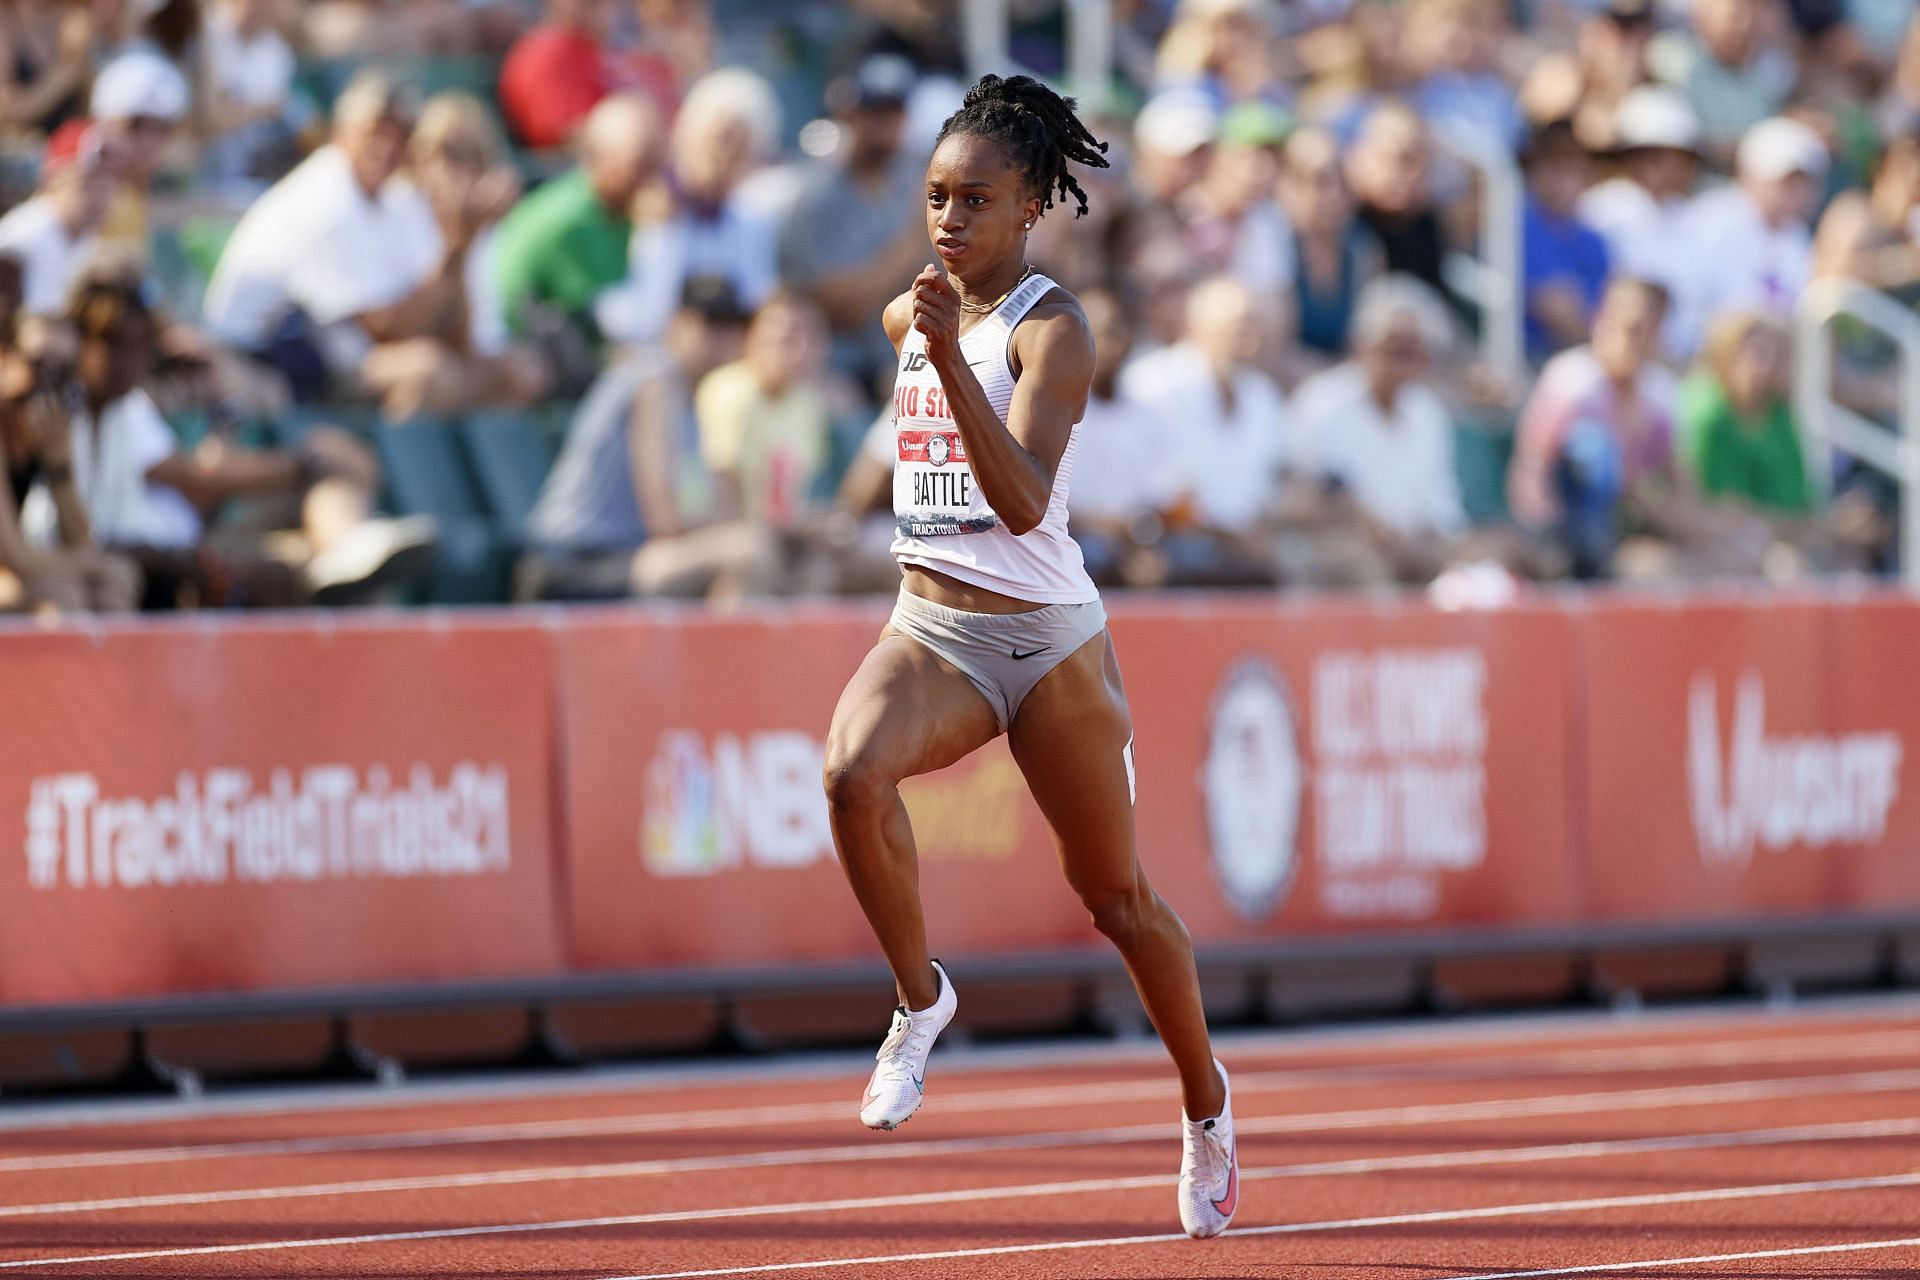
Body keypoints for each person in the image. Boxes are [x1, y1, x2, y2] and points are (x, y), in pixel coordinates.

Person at [820, 74, 1239, 1241]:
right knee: (851, 774)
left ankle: (1206, 1105)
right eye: (936, 198)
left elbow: (1020, 501)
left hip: (1050, 643)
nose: (950, 223)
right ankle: (920, 999)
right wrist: (933, 347)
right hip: (933, 630)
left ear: (1029, 212)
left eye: (976, 202)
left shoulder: (1052, 326)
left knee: (1118, 898)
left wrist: (956, 359)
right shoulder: (909, 316)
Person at [203, 69, 513, 413]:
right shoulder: (325, 196)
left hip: (317, 354)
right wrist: (459, 243)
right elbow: (384, 330)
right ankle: (391, 465)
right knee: (429, 371)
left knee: (504, 373)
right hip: (259, 360)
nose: (385, 147)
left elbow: (437, 322)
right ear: (341, 132)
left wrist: (462, 242)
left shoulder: (390, 198)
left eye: (398, 136)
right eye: (375, 132)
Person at [519, 277, 777, 601]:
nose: (724, 339)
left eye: (734, 326)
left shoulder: (696, 401)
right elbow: (665, 519)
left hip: (624, 556)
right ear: (676, 324)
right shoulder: (654, 380)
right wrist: (748, 528)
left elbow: (698, 505)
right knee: (746, 551)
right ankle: (723, 654)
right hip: (569, 561)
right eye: (711, 324)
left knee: (780, 556)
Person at [1292, 275, 1469, 584]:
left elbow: (1442, 512)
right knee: (1363, 568)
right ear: (1363, 345)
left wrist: (1418, 541)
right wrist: (1355, 518)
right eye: (1392, 347)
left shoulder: (1428, 412)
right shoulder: (1321, 404)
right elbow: (1298, 494)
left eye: (1412, 350)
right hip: (1339, 553)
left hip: (1416, 552)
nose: (1401, 360)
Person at [492, 92, 664, 385]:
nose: (651, 177)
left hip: (572, 348)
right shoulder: (571, 220)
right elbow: (615, 320)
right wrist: (660, 234)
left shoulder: (617, 210)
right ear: (602, 158)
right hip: (529, 355)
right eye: (639, 162)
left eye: (656, 160)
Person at [1520, 119, 1611, 362]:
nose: (1569, 175)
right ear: (1536, 167)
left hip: (1591, 359)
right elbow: (1558, 314)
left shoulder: (1594, 240)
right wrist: (1615, 346)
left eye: (1576, 163)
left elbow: (1613, 307)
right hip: (1535, 358)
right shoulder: (1520, 225)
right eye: (1557, 164)